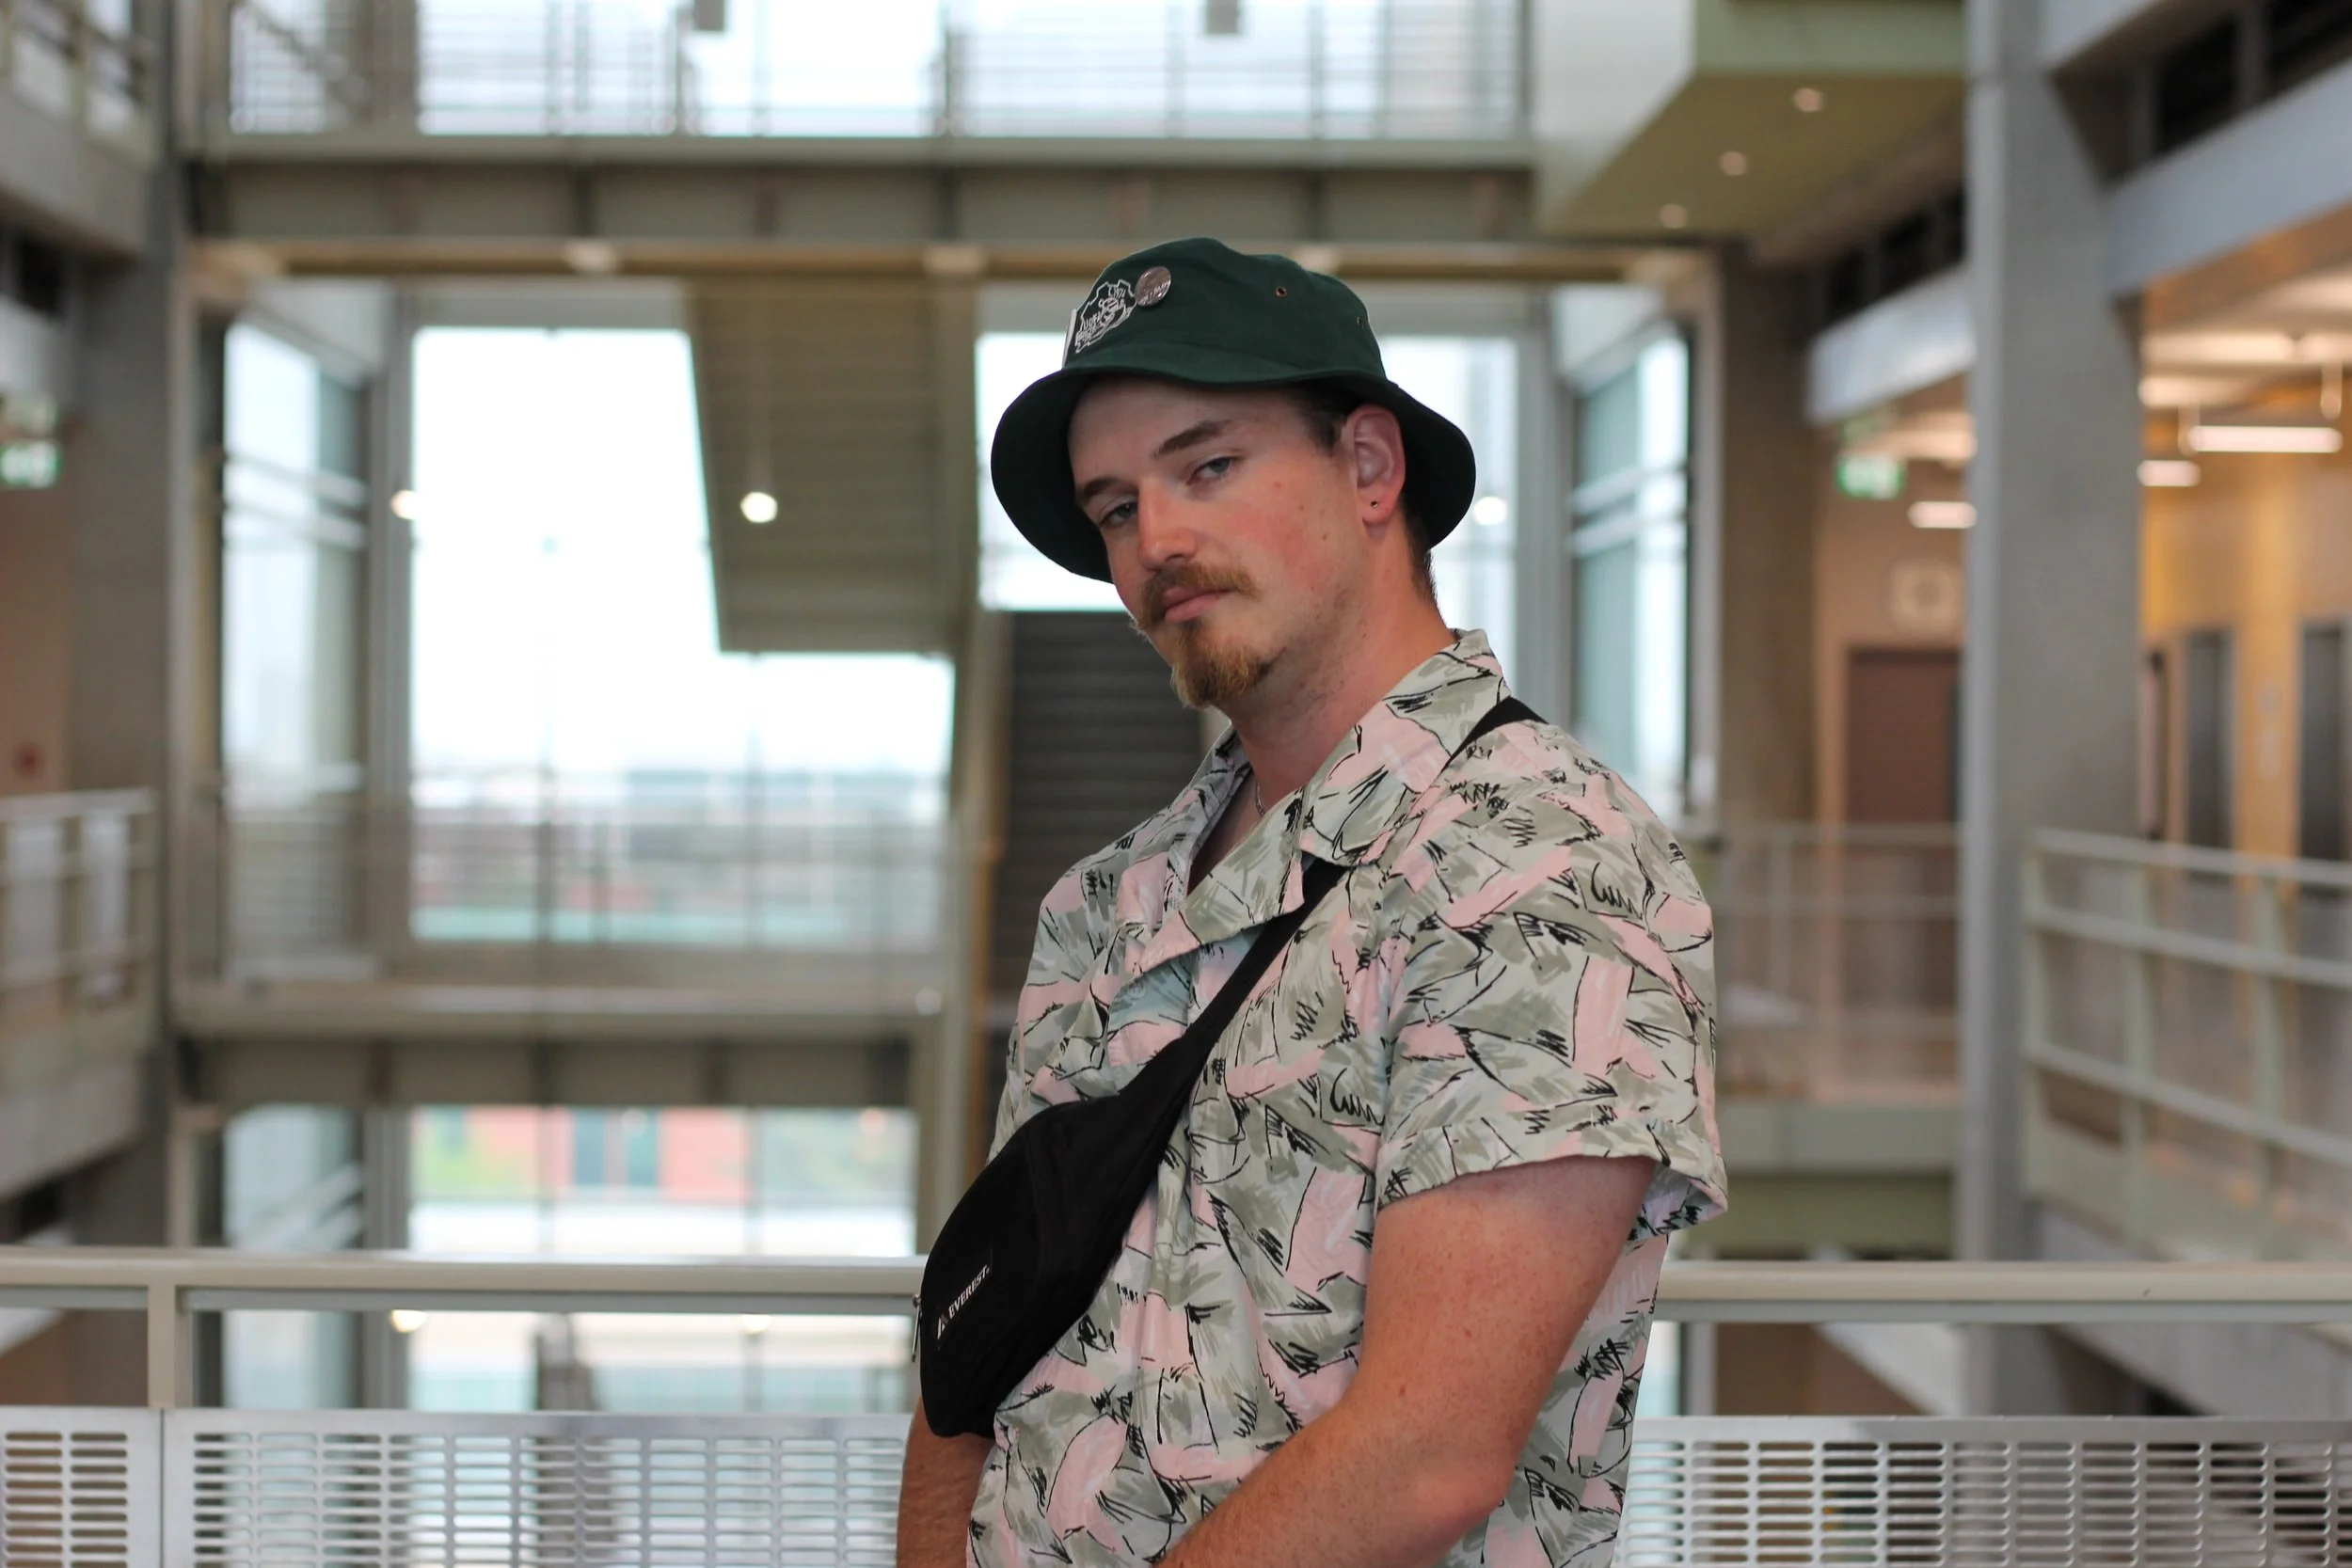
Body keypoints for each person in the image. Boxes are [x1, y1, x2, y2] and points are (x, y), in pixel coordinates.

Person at [898, 237, 1726, 1568]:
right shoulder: (1109, 902)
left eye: (1208, 465)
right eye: (1115, 507)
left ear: (1369, 467)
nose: (1156, 538)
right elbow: (977, 1353)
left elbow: (1425, 1453)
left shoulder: (1542, 865)